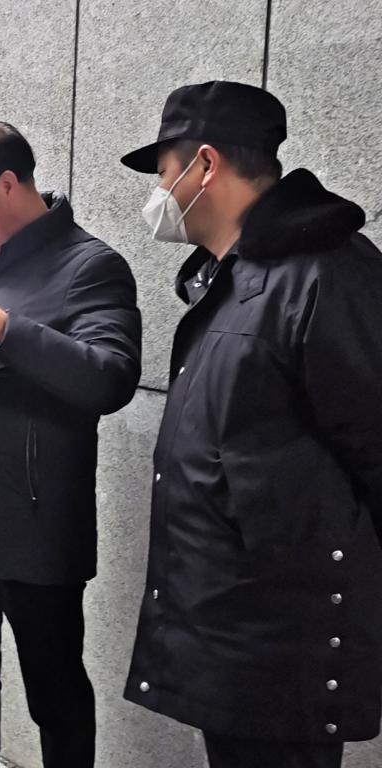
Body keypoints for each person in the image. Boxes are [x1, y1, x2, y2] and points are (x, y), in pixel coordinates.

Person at [120, 81, 382, 768]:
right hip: (233, 633)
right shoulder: (230, 278)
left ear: (205, 165)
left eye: (164, 170)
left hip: (284, 640)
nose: (160, 190)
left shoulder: (328, 276)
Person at [0, 123, 142, 768]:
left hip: (36, 519)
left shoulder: (91, 265)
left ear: (7, 183)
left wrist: (6, 330)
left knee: (55, 692)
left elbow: (110, 377)